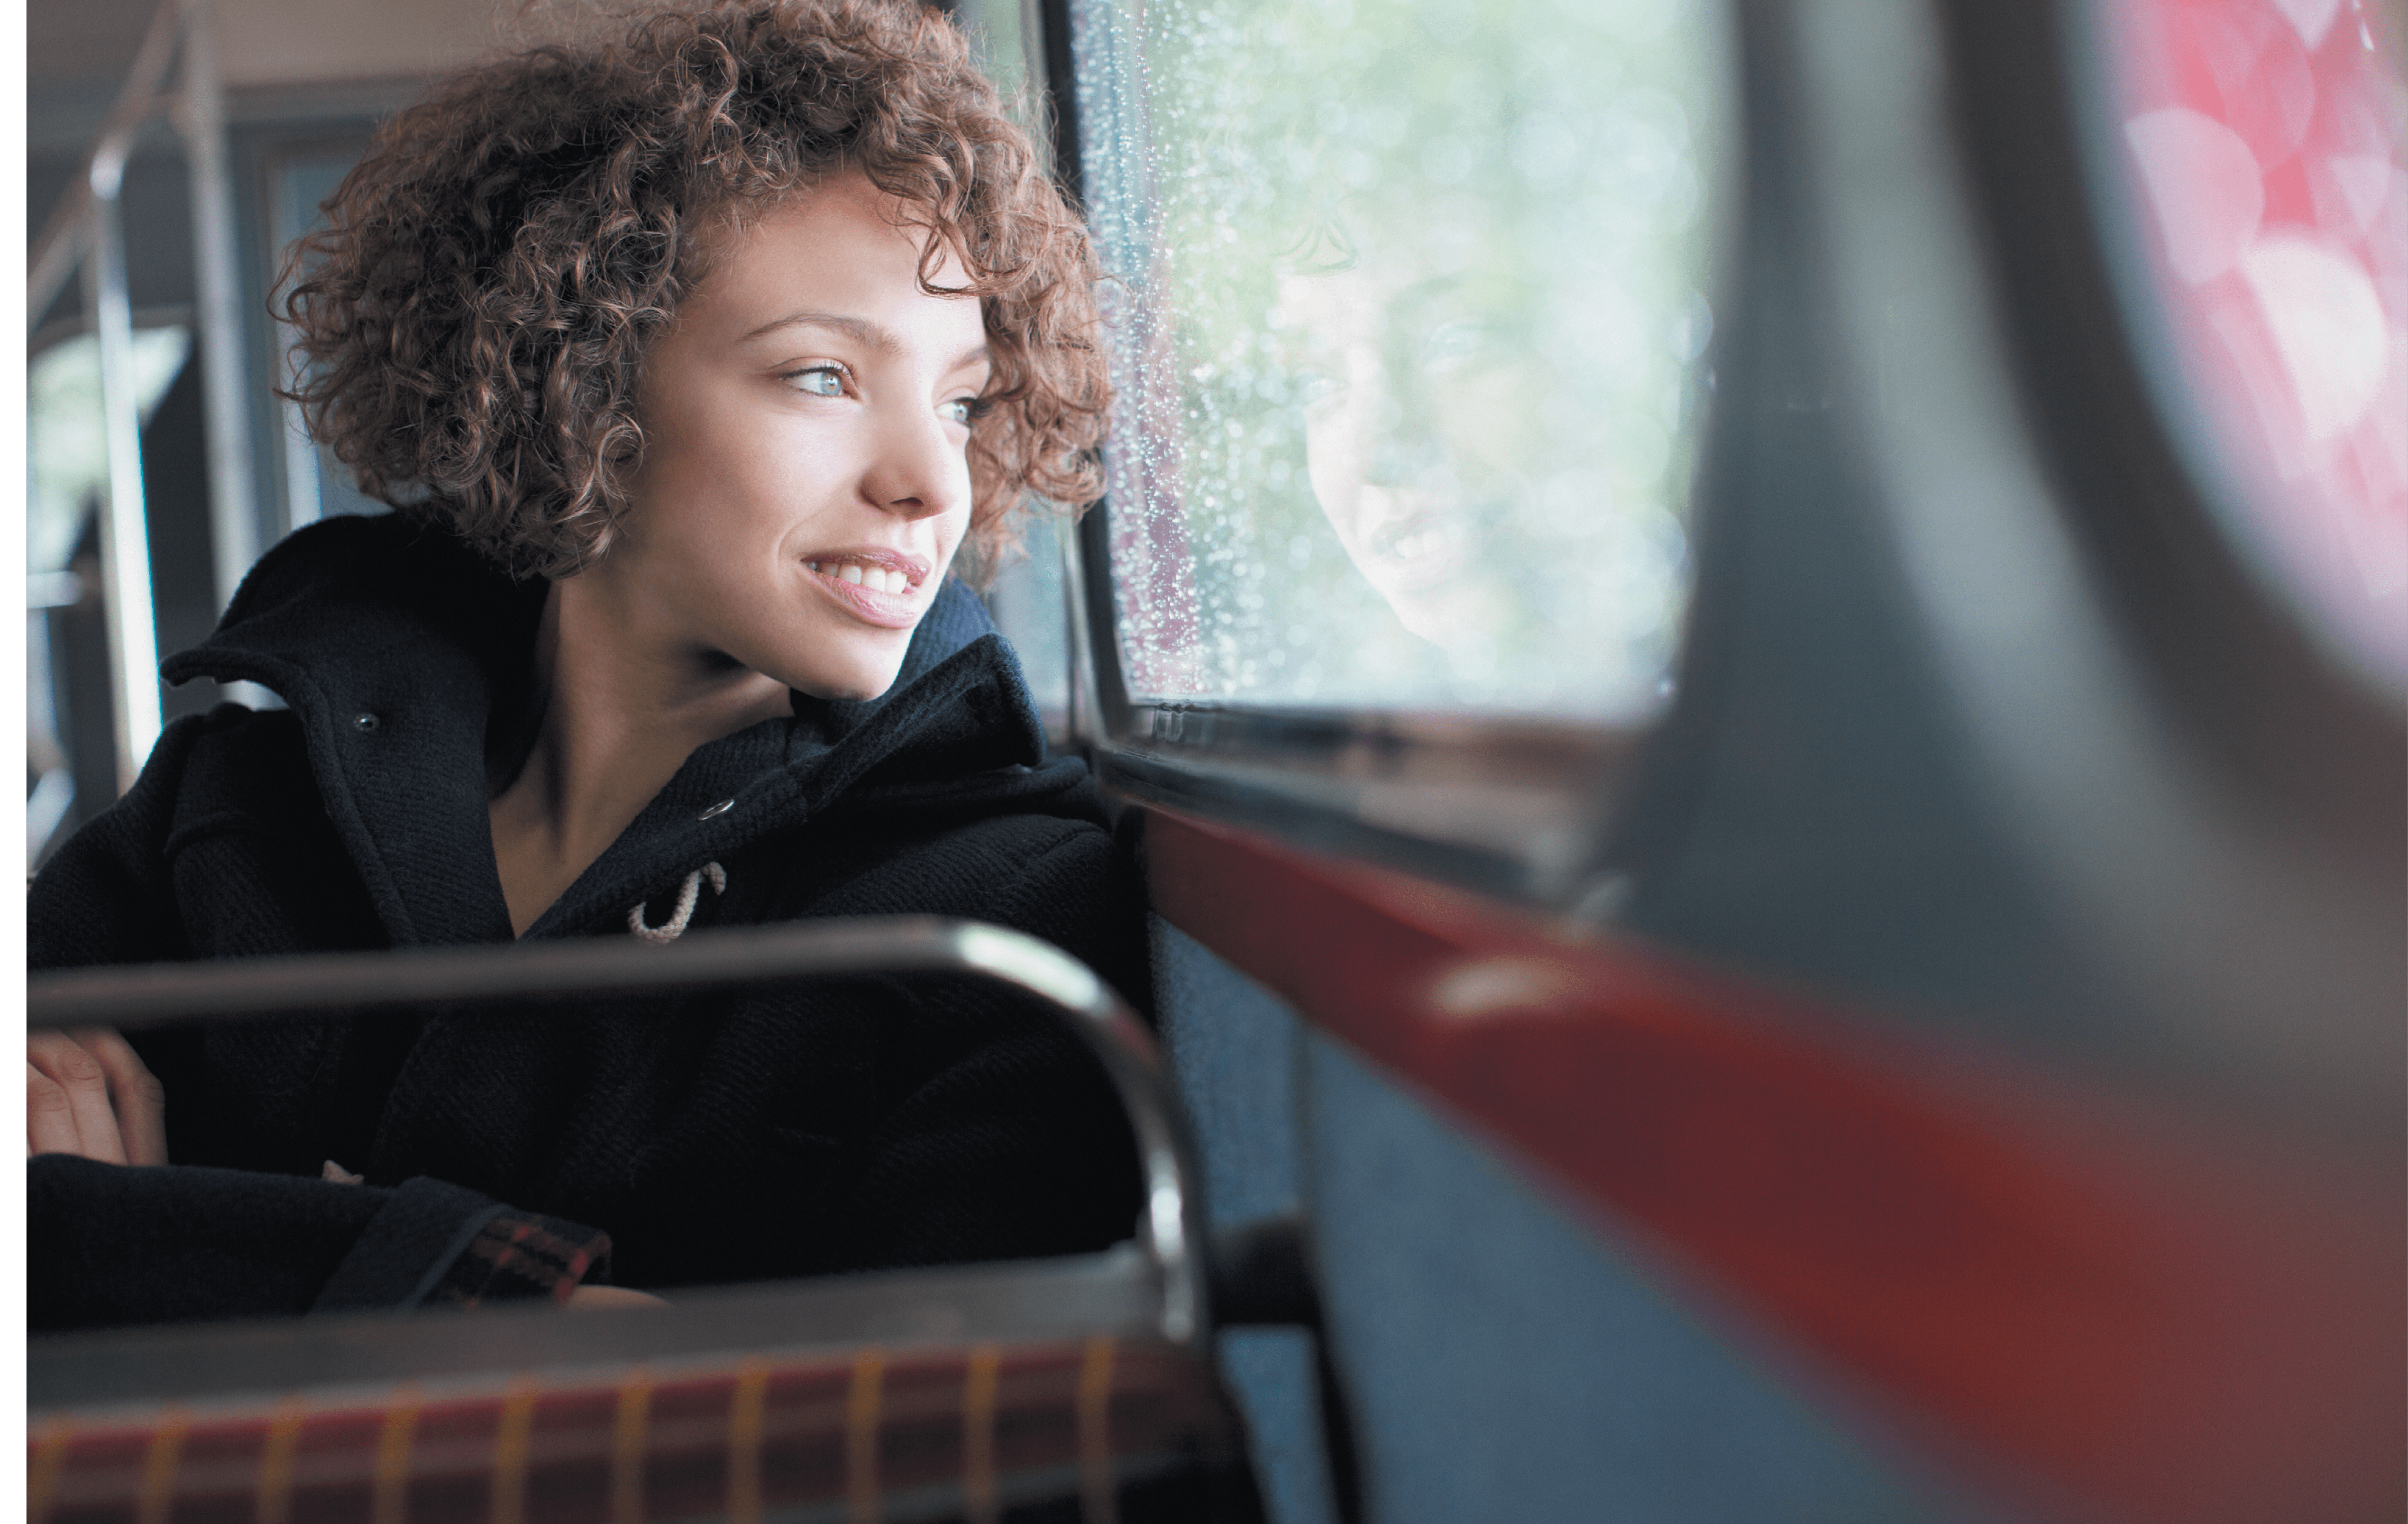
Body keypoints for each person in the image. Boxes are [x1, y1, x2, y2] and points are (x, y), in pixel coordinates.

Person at [25, 0, 1144, 1329]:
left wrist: (159, 1243)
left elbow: (883, 1442)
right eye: (820, 376)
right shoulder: (231, 807)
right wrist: (526, 1305)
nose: (927, 482)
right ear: (581, 384)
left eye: (959, 400)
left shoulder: (1003, 910)